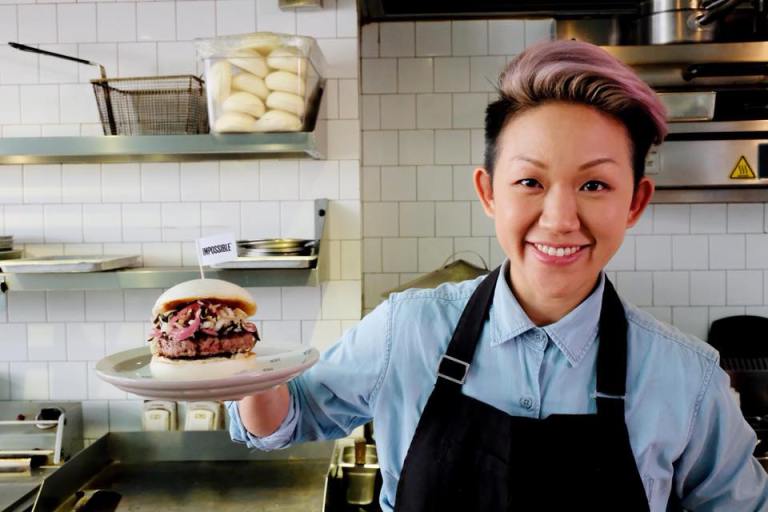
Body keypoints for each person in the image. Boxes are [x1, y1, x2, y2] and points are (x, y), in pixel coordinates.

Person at [227, 40, 768, 511]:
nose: (559, 220)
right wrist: (239, 361)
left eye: (595, 185)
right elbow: (288, 419)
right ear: (488, 192)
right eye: (530, 182)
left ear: (635, 201)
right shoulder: (406, 329)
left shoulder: (686, 378)